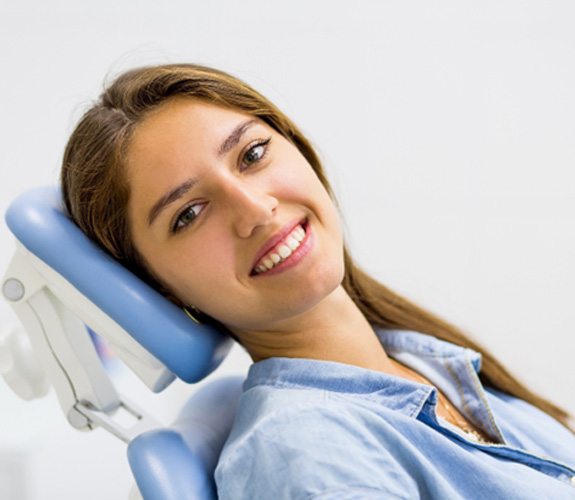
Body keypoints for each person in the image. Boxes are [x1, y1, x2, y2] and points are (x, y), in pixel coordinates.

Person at [60, 63, 575, 499]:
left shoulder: (421, 361)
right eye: (189, 213)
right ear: (162, 290)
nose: (256, 210)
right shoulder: (309, 451)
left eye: (252, 155)